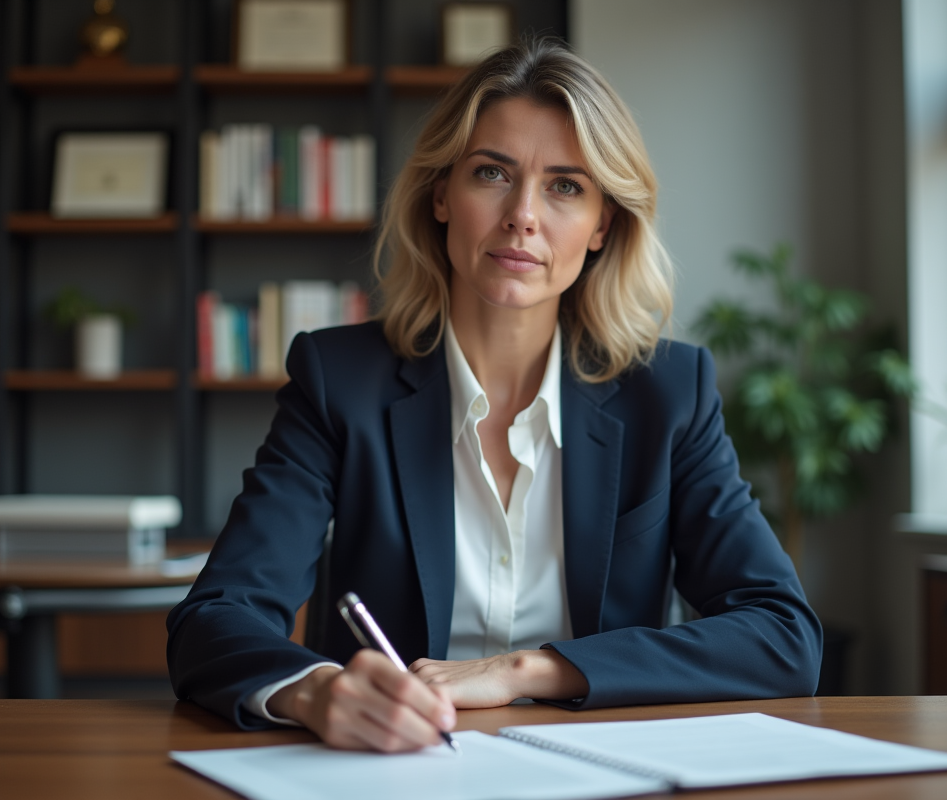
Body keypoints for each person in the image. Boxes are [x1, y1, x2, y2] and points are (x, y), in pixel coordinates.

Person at [167, 37, 822, 753]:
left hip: (600, 772)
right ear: (442, 194)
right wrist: (316, 690)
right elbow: (215, 618)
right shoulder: (338, 381)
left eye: (566, 186)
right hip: (394, 775)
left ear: (603, 223)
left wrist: (526, 671)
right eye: (492, 173)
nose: (524, 216)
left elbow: (783, 635)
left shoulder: (668, 394)